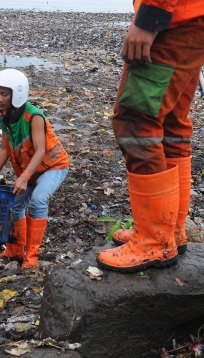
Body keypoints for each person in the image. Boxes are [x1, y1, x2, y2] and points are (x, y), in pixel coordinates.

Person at [96, 0, 204, 273]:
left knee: (137, 122)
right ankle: (170, 231)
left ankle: (154, 242)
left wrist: (149, 19)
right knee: (170, 124)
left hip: (175, 21)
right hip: (191, 19)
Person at [0, 69, 70, 270]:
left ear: (18, 94)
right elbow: (5, 148)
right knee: (14, 204)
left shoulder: (34, 117)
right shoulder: (5, 116)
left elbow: (41, 151)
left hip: (53, 166)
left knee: (38, 201)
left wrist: (24, 177)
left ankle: (31, 256)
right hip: (31, 170)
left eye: (4, 94)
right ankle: (15, 250)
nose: (0, 99)